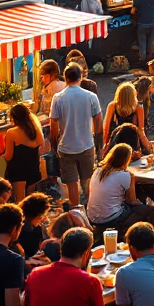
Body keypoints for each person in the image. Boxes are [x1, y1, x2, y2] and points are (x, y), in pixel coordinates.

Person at [50, 64, 103, 208]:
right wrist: (99, 144)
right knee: (88, 181)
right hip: (86, 145)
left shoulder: (58, 98)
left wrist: (54, 143)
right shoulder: (91, 97)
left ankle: (75, 211)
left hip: (66, 147)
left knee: (72, 184)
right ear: (80, 78)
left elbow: (53, 123)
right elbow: (98, 120)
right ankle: (93, 210)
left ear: (66, 78)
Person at [86, 144, 149, 232]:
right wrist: (143, 204)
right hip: (110, 218)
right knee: (143, 209)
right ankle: (125, 230)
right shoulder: (125, 175)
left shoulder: (97, 170)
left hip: (92, 217)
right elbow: (132, 200)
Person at [2, 102, 44, 200]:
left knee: (20, 202)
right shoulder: (36, 130)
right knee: (32, 201)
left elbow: (8, 156)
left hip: (19, 173)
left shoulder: (11, 133)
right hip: (34, 170)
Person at [103, 82, 152, 155]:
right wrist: (148, 147)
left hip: (115, 143)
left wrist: (105, 146)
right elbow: (141, 131)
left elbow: (106, 129)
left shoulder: (112, 106)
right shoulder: (138, 109)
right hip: (132, 145)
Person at [15, 193, 51, 260]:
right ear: (38, 215)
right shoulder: (26, 230)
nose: (43, 218)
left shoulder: (17, 224)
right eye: (43, 215)